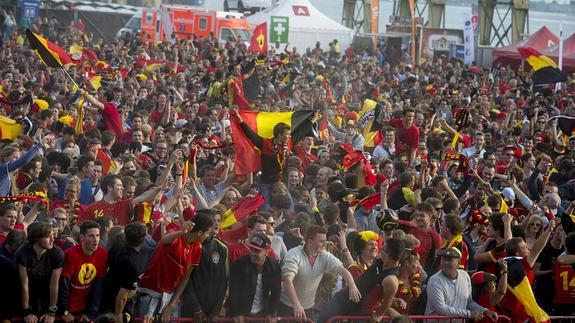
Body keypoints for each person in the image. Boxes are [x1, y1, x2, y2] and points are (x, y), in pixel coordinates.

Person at [135, 213, 213, 322]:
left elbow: (186, 277)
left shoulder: (198, 248)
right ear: (200, 233)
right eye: (208, 232)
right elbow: (164, 240)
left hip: (169, 298)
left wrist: (172, 304)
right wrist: (181, 232)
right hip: (149, 294)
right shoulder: (175, 236)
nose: (208, 236)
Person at [279, 225, 361, 320]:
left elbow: (342, 269)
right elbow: (287, 280)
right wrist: (296, 304)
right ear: (310, 241)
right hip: (286, 306)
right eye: (321, 241)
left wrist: (352, 284)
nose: (324, 244)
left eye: (324, 240)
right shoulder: (294, 254)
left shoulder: (324, 255)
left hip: (308, 308)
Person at [425, 247, 498, 321]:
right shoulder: (434, 280)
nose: (446, 263)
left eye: (450, 260)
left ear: (459, 262)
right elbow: (441, 308)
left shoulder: (465, 276)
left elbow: (468, 302)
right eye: (443, 259)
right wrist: (469, 314)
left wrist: (485, 311)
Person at [181, 209, 228, 320]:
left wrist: (216, 311)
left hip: (212, 311)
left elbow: (223, 281)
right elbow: (186, 280)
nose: (216, 223)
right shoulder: (190, 246)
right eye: (213, 220)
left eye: (218, 220)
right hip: (191, 310)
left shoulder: (222, 248)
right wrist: (196, 308)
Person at [16, 221, 65, 323]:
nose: (53, 239)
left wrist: (52, 312)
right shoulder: (23, 252)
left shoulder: (57, 253)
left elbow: (54, 284)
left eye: (52, 236)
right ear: (37, 238)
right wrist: (26, 312)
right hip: (30, 290)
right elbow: (24, 284)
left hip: (47, 291)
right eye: (48, 237)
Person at [60, 221, 108, 322]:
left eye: (98, 235)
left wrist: (90, 313)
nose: (95, 240)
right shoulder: (70, 254)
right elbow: (63, 285)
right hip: (67, 308)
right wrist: (64, 311)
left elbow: (98, 287)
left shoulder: (102, 253)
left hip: (85, 308)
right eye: (91, 236)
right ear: (82, 237)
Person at [100, 222, 148, 321]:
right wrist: (118, 315)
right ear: (144, 240)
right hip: (116, 307)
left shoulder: (117, 245)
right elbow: (122, 296)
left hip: (104, 299)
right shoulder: (132, 264)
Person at [229, 233, 281, 320]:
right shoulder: (239, 265)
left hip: (262, 315)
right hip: (242, 315)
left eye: (257, 251)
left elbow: (276, 291)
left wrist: (272, 313)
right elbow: (234, 292)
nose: (252, 253)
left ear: (266, 251)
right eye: (251, 249)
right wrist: (236, 314)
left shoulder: (274, 266)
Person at [0, 230, 27, 321]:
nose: (19, 252)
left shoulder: (23, 251)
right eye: (16, 249)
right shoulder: (3, 260)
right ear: (8, 243)